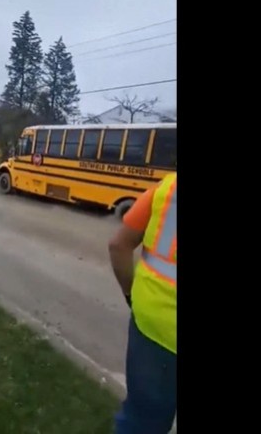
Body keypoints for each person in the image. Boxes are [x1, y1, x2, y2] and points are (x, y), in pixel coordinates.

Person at [108, 172, 177, 434]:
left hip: (154, 329)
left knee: (142, 422)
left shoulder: (168, 189)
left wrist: (130, 295)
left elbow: (118, 245)